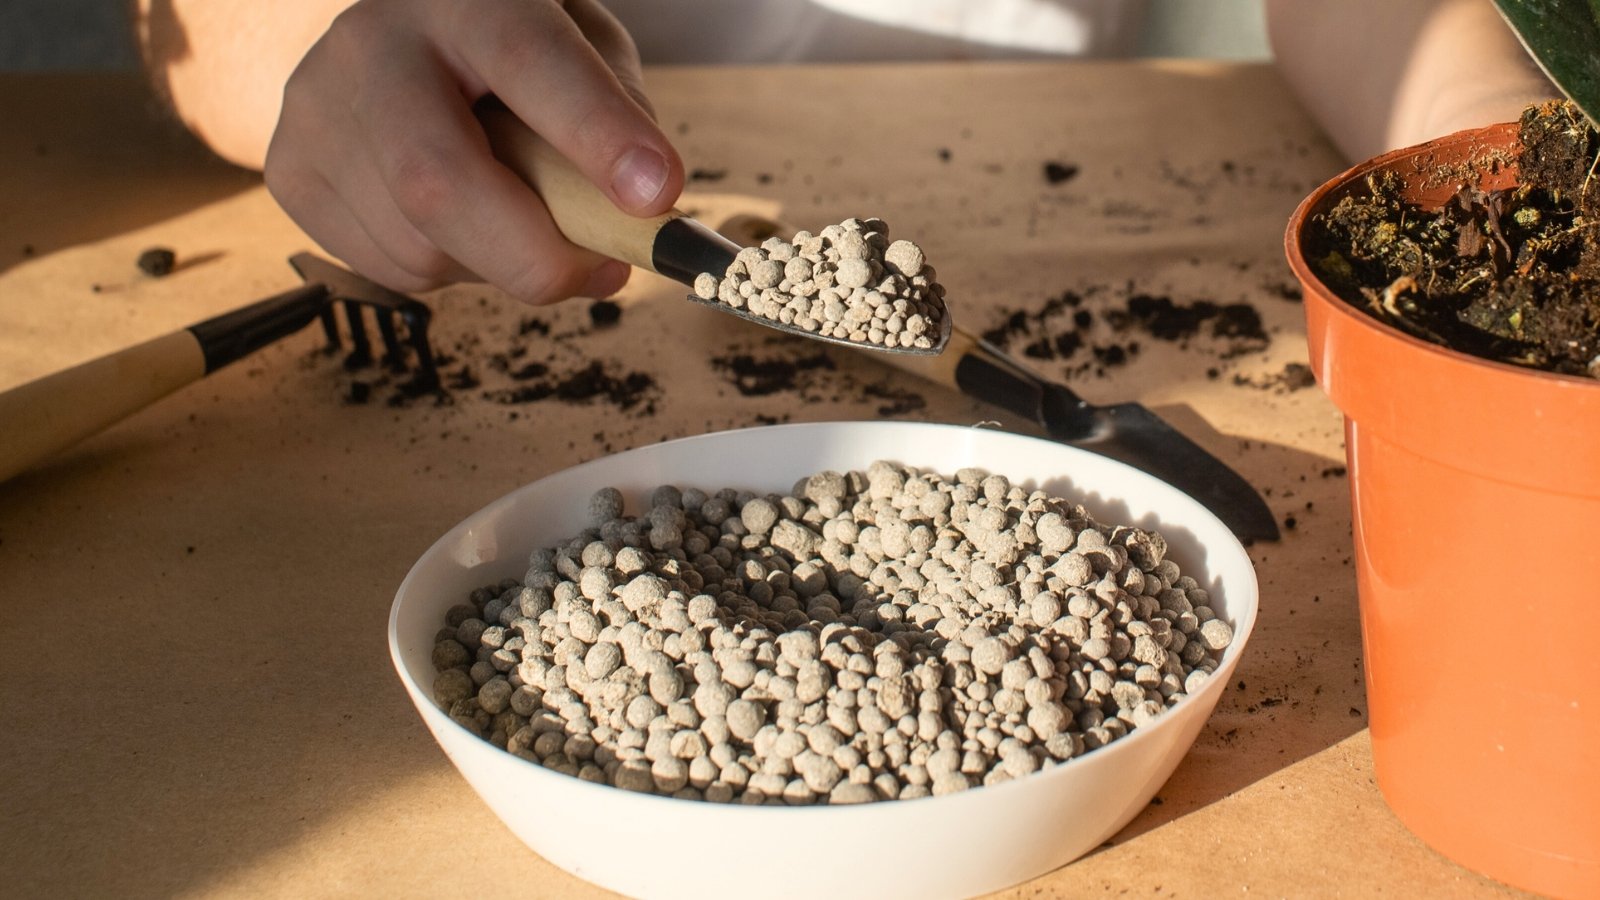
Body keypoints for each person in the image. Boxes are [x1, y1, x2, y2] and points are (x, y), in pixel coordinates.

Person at [133, 0, 1556, 306]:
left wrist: (1509, 186)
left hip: (1055, 212)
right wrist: (335, 58)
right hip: (573, 275)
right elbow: (214, 22)